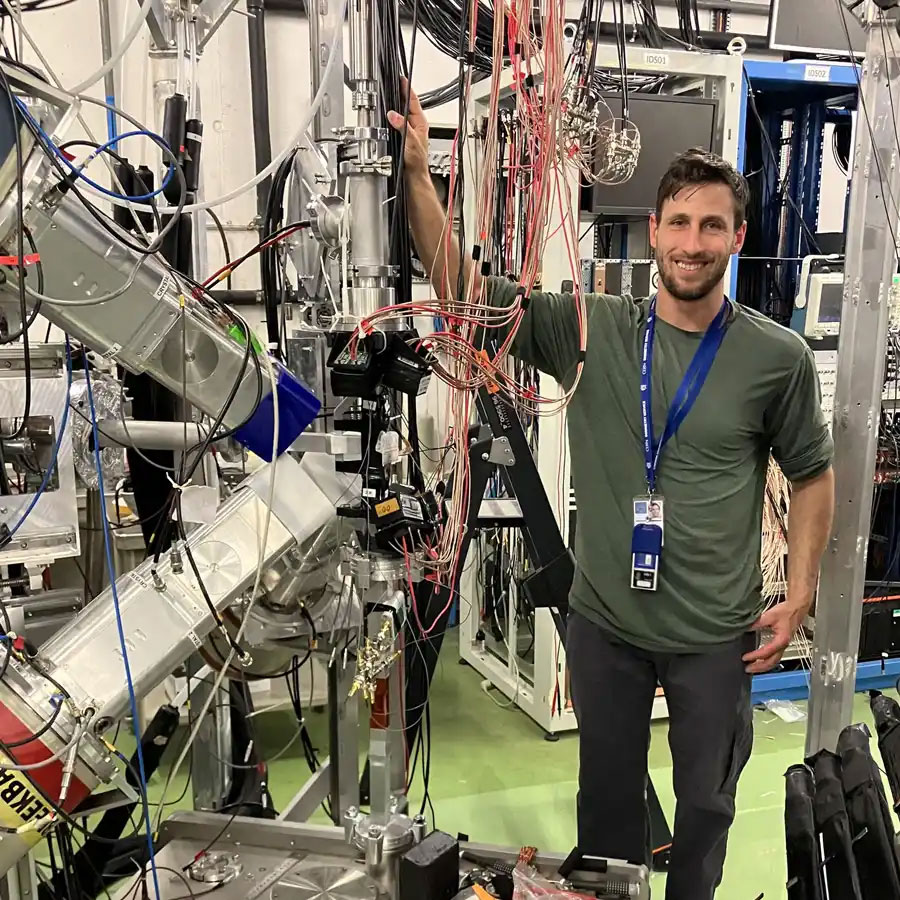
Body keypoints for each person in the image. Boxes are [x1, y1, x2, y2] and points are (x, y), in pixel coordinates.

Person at [388, 80, 835, 900]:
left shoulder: (777, 359)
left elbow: (812, 473)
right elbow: (462, 291)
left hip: (715, 637)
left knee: (707, 810)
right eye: (679, 223)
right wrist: (419, 175)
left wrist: (802, 588)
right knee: (606, 815)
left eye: (712, 225)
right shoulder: (591, 327)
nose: (692, 243)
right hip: (607, 628)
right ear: (654, 230)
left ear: (737, 237)